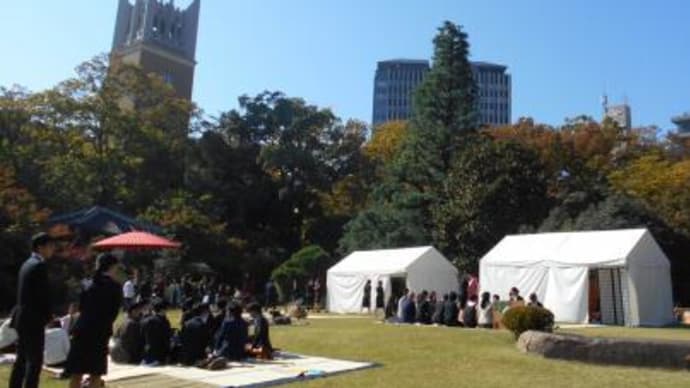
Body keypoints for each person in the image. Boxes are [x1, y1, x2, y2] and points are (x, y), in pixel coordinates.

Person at [64, 253, 123, 388]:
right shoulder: (114, 287)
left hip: (82, 329)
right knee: (95, 373)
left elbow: (82, 307)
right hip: (99, 332)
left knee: (77, 372)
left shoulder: (88, 284)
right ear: (112, 267)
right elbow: (113, 313)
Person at [9, 232, 56, 388]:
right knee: (35, 361)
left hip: (22, 317)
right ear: (40, 247)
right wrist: (49, 316)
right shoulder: (39, 265)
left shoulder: (27, 263)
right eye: (50, 246)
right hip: (34, 318)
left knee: (22, 358)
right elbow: (42, 295)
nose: (52, 250)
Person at [141, 300, 172, 365]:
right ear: (162, 310)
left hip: (146, 354)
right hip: (159, 356)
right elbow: (166, 340)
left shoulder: (145, 320)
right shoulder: (164, 322)